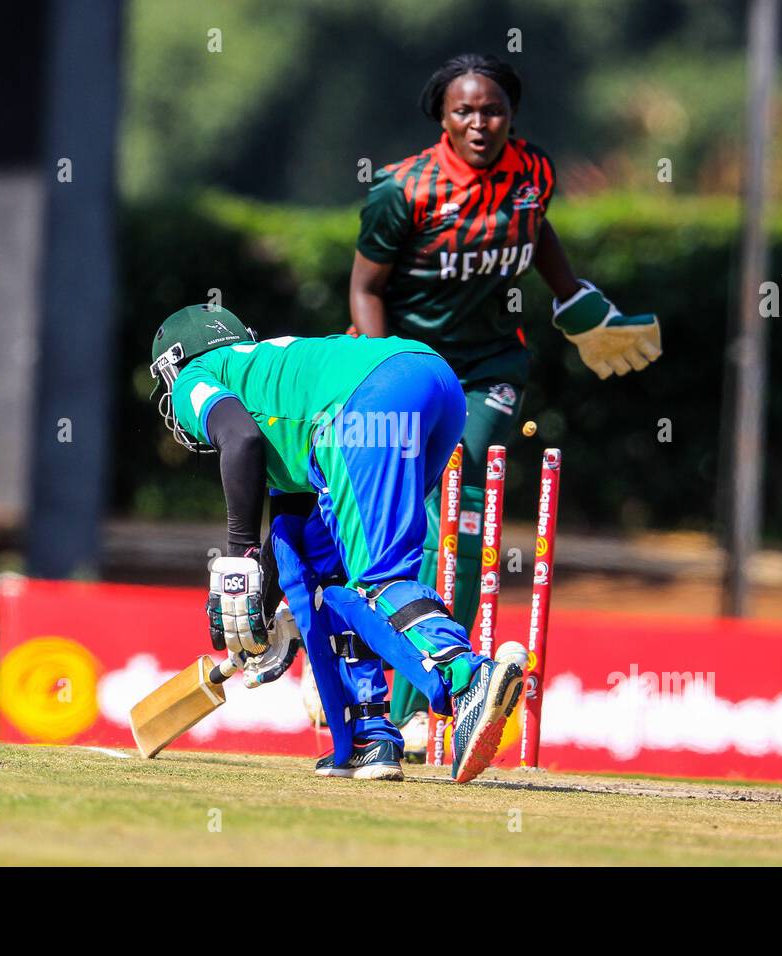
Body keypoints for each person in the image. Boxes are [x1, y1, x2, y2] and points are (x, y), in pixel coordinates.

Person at [348, 53, 661, 753]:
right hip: (407, 368)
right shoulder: (403, 191)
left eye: (491, 110)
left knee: (453, 519)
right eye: (464, 112)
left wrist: (572, 295)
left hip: (490, 367)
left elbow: (537, 227)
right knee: (398, 528)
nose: (480, 123)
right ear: (442, 118)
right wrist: (378, 368)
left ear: (511, 114)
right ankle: (380, 675)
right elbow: (366, 289)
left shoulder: (534, 173)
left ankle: (417, 701)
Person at [147, 302, 523, 784]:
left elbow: (240, 440)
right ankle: (370, 737)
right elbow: (295, 544)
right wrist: (265, 611)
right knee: (335, 579)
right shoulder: (276, 381)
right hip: (434, 384)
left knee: (377, 578)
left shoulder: (194, 376)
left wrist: (237, 556)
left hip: (367, 403)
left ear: (176, 362)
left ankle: (466, 676)